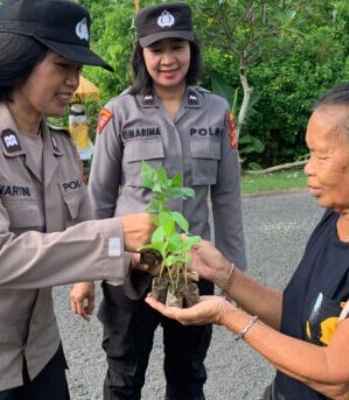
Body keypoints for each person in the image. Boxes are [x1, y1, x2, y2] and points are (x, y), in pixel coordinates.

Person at [146, 79, 349, 400]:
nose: (308, 168)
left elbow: (342, 377)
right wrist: (223, 274)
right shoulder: (340, 215)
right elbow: (304, 318)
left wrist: (228, 315)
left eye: (321, 156)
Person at [0, 1, 156, 398]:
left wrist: (145, 260)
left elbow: (82, 233)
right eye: (62, 66)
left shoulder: (61, 148)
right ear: (20, 59)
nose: (74, 80)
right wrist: (118, 233)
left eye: (78, 69)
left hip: (37, 355)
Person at [69, 3, 247, 399]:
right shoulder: (118, 112)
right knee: (124, 376)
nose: (168, 60)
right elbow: (98, 198)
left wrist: (235, 276)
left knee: (188, 375)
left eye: (177, 47)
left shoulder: (217, 112)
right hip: (130, 269)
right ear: (141, 54)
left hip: (194, 267)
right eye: (157, 49)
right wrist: (85, 272)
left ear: (191, 49)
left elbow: (227, 198)